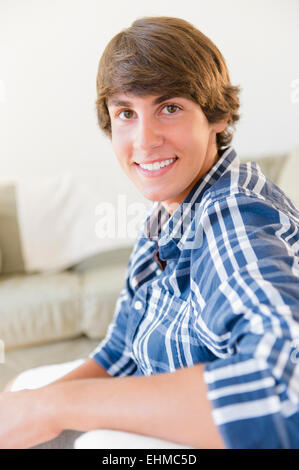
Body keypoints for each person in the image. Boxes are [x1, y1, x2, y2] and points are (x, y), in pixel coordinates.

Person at [1, 16, 299, 449]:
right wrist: (32, 405)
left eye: (170, 108)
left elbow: (281, 388)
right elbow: (122, 351)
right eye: (126, 113)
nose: (144, 140)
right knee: (27, 387)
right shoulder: (165, 216)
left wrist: (55, 407)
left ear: (215, 115)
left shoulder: (233, 210)